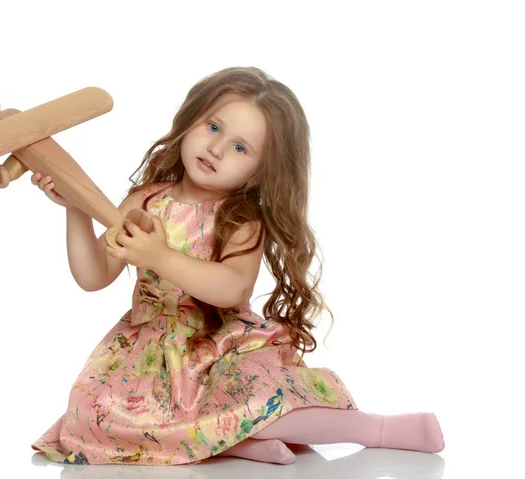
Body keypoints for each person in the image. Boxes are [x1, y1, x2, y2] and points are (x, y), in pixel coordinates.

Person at [30, 66, 445, 466]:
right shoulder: (146, 200)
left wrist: (160, 257)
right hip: (147, 354)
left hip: (216, 348)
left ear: (261, 171)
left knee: (258, 400)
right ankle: (236, 443)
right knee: (94, 419)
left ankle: (378, 429)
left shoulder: (239, 219)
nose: (216, 148)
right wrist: (76, 210)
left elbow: (232, 289)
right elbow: (92, 275)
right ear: (191, 119)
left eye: (240, 147)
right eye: (213, 127)